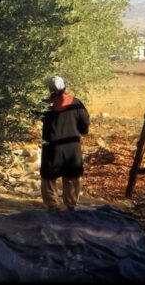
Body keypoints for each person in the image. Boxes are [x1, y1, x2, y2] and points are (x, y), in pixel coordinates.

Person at [39, 76, 90, 212]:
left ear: (50, 90)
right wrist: (81, 131)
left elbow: (33, 114)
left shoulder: (45, 105)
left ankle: (53, 207)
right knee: (71, 177)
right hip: (71, 148)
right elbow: (85, 124)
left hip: (52, 148)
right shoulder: (76, 103)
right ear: (65, 87)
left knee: (49, 178)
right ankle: (71, 206)